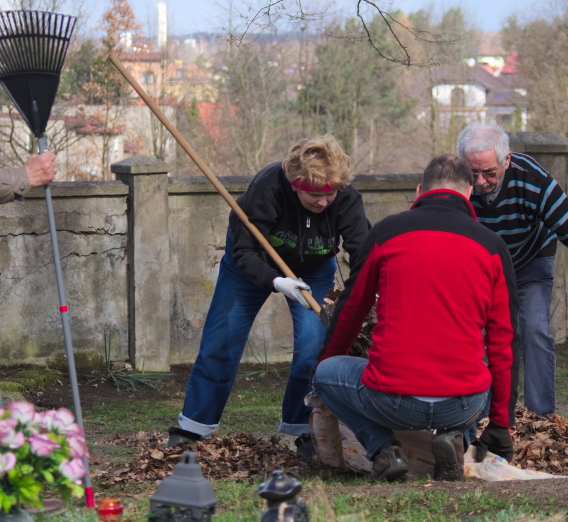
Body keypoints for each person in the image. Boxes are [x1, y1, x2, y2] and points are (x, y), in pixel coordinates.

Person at [312, 154, 519, 482]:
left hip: (391, 401)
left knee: (324, 374)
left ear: (420, 189)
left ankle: (383, 449)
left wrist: (329, 359)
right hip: (463, 404)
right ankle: (457, 440)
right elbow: (503, 340)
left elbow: (351, 310)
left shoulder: (385, 233)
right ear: (468, 193)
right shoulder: (492, 246)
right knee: (488, 368)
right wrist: (500, 424)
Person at [167, 135, 370, 451]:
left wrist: (368, 294)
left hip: (315, 269)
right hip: (249, 265)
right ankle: (194, 428)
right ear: (294, 184)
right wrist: (278, 282)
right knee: (222, 342)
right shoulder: (267, 188)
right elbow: (245, 251)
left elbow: (363, 253)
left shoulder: (344, 196)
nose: (323, 202)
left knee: (312, 348)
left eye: (329, 194)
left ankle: (302, 430)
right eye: (314, 195)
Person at [457, 122, 568, 416]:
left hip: (530, 258)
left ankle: (540, 418)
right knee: (481, 336)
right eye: (473, 173)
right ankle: (488, 416)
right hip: (481, 269)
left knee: (533, 328)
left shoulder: (532, 179)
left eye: (490, 173)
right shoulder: (456, 183)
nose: (480, 181)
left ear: (506, 160)